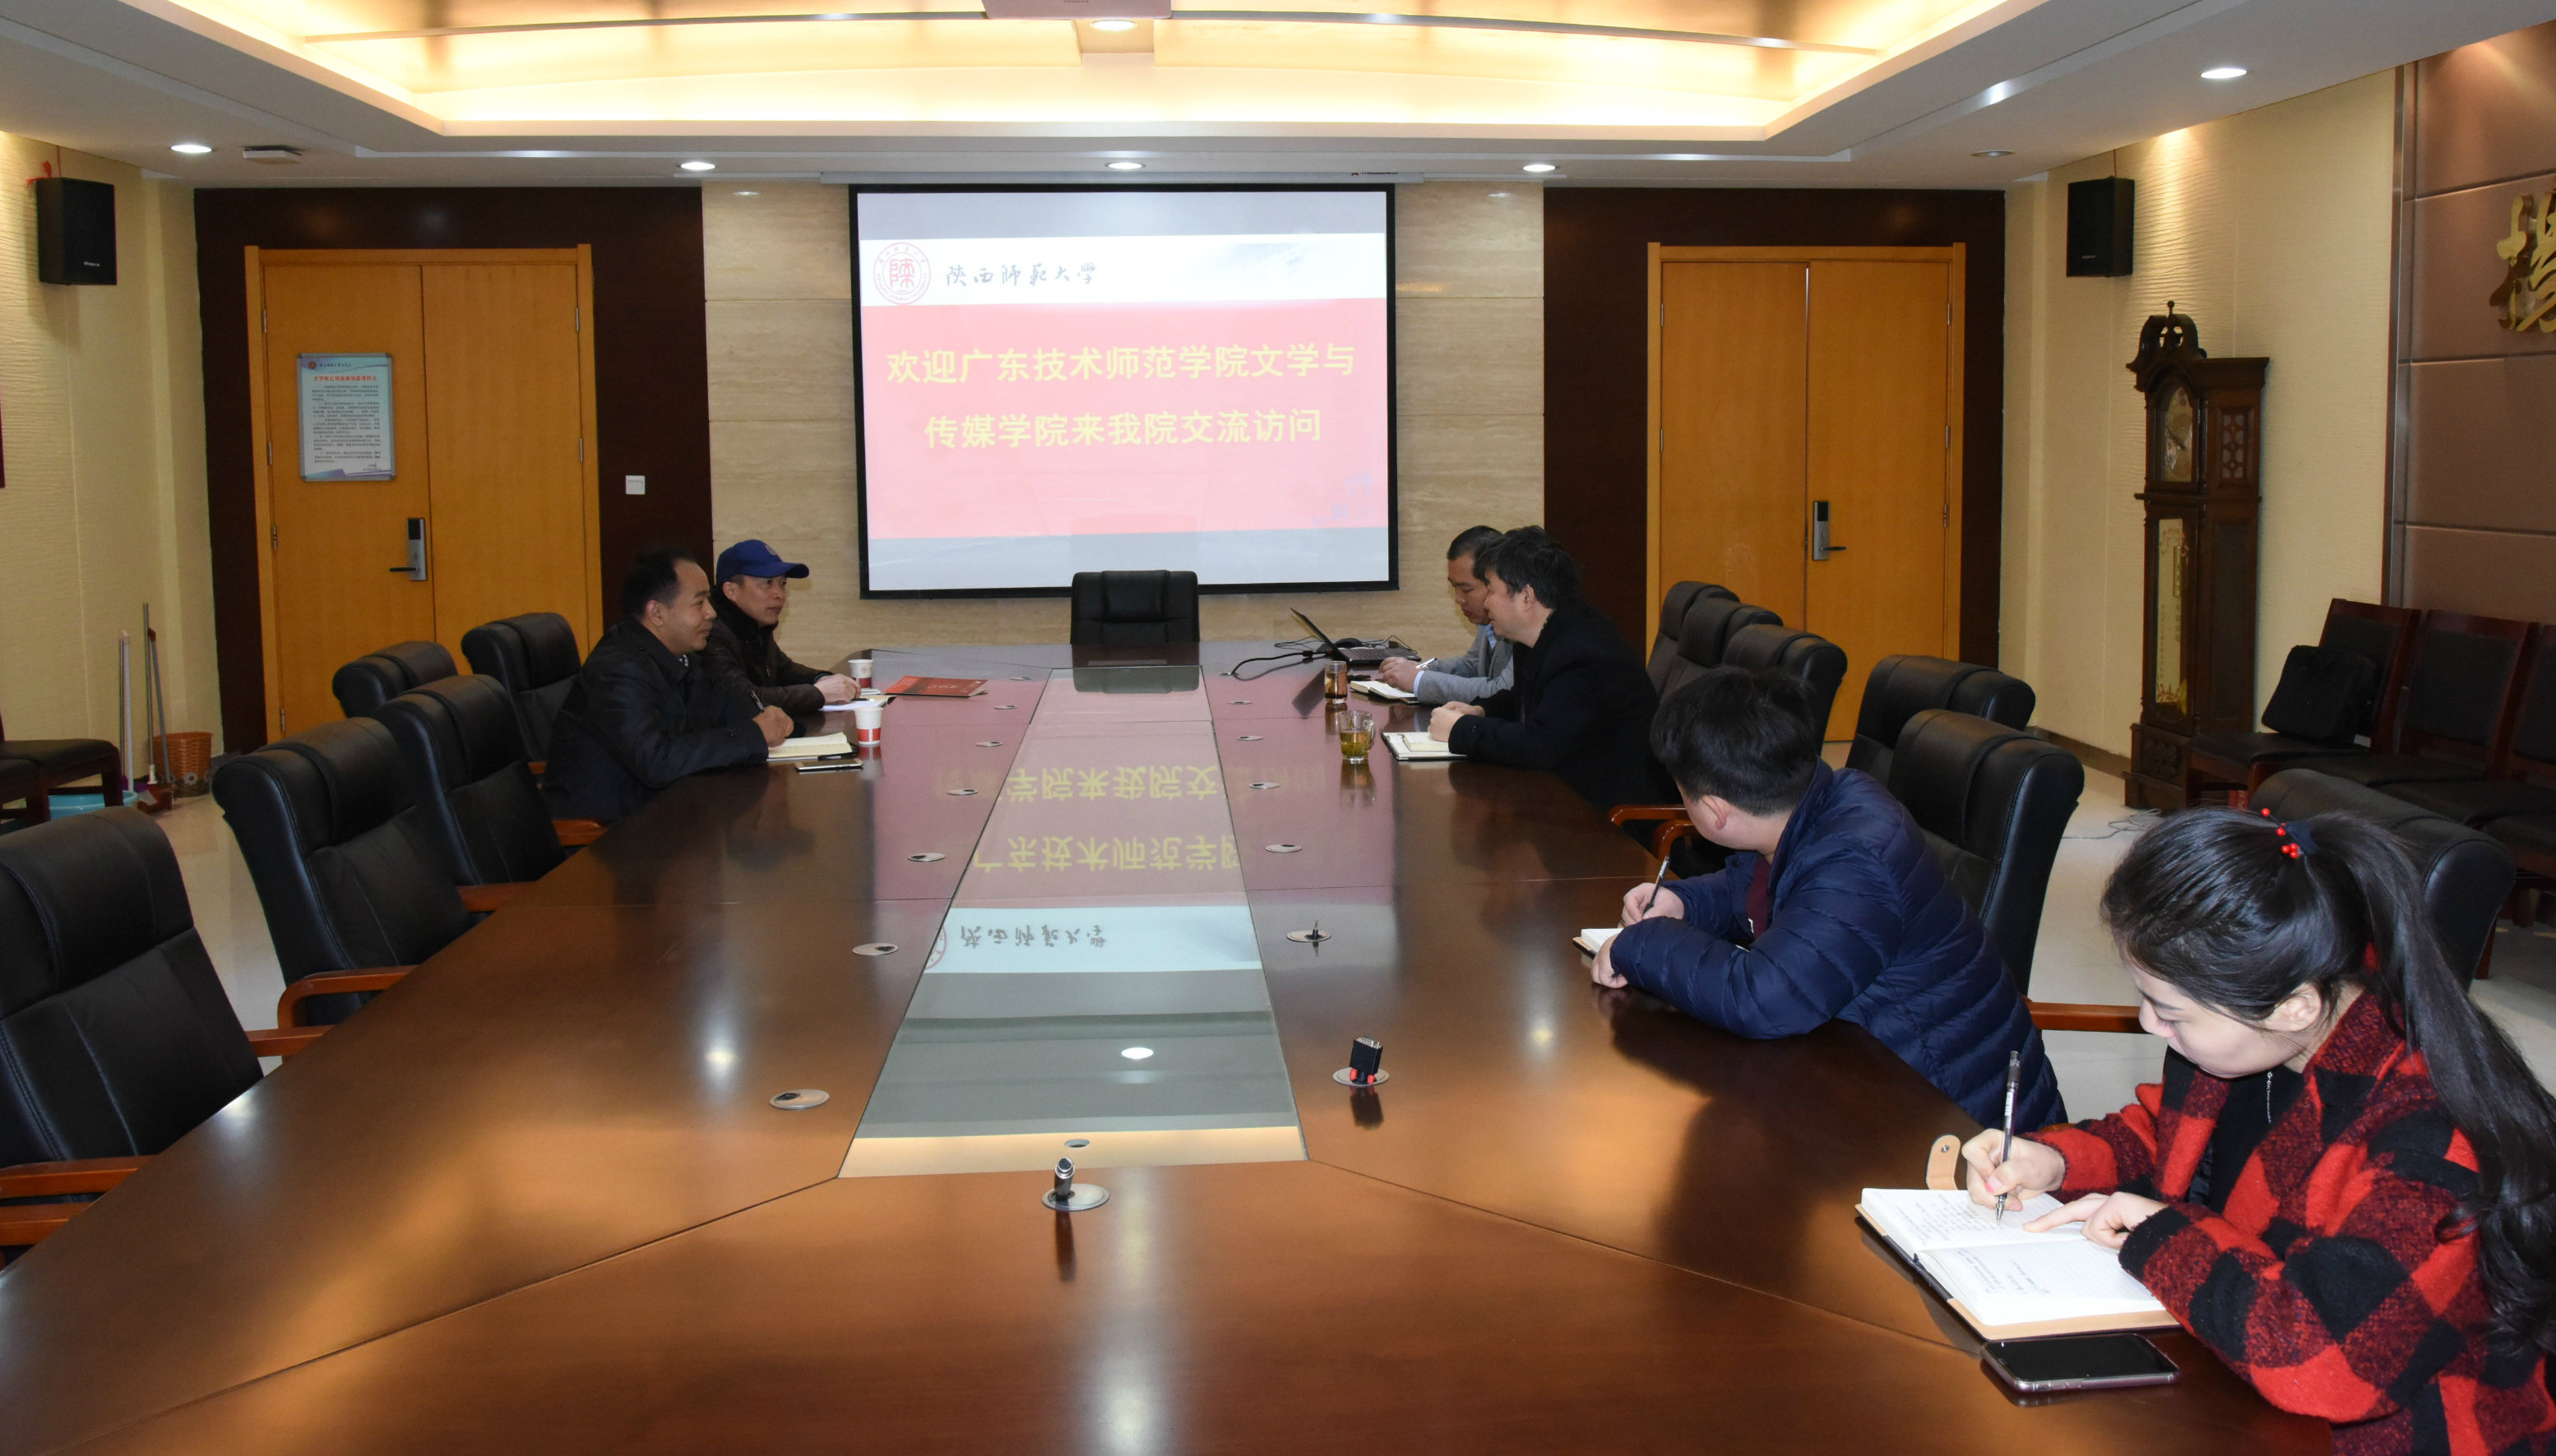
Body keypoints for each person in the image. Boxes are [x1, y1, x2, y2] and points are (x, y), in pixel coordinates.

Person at [1964, 807, 2556, 1455]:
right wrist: (2054, 1160)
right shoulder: (2259, 1035)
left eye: (2170, 1010)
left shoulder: (2430, 1142)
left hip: (2406, 1430)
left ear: (2294, 1006)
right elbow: (2169, 1140)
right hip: (2242, 1379)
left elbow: (2322, 1361)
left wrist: (2161, 1231)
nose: (2150, 1023)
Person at [1593, 666, 2062, 1129]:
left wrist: (1642, 944)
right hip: (1867, 1070)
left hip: (1955, 1120)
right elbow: (1758, 888)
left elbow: (1764, 1000)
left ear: (1716, 811)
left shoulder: (1856, 862)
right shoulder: (1819, 801)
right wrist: (1685, 903)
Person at [1428, 526, 1674, 816]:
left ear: (1526, 596)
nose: (1486, 602)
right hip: (1568, 800)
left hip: (1613, 819)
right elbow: (1526, 700)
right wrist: (1481, 711)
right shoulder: (1543, 636)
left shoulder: (1584, 653)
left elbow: (1540, 745)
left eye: (1491, 590)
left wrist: (1461, 730)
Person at [545, 547, 793, 823]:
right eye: (699, 603)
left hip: (664, 813)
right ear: (657, 612)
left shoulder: (680, 657)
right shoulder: (618, 671)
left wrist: (769, 718)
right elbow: (657, 761)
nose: (711, 613)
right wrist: (753, 734)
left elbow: (722, 706)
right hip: (608, 833)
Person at [699, 538, 856, 718]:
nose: (780, 594)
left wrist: (822, 678)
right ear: (731, 591)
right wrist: (818, 693)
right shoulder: (710, 633)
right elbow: (743, 700)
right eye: (767, 583)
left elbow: (784, 670)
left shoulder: (753, 624)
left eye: (782, 583)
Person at [1376, 525, 1513, 706]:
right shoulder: (1486, 621)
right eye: (1454, 587)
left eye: (1466, 589)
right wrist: (1421, 669)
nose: (1458, 599)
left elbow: (1504, 691)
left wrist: (1419, 681)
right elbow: (1474, 666)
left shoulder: (1518, 625)